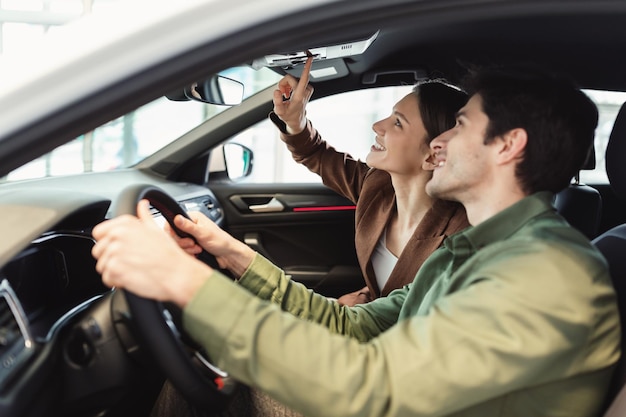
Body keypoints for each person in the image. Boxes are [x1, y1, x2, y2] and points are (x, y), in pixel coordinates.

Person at [92, 66, 620, 417]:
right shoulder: (475, 254)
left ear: (507, 146)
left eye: (458, 125)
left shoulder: (541, 273)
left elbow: (372, 388)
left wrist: (184, 283)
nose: (440, 142)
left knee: (229, 378)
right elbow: (353, 324)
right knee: (218, 364)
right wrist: (226, 256)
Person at [269, 57, 469, 307]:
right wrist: (294, 120)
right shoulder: (377, 186)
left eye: (398, 122)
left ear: (432, 155)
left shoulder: (463, 235)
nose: (377, 126)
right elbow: (316, 154)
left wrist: (352, 313)